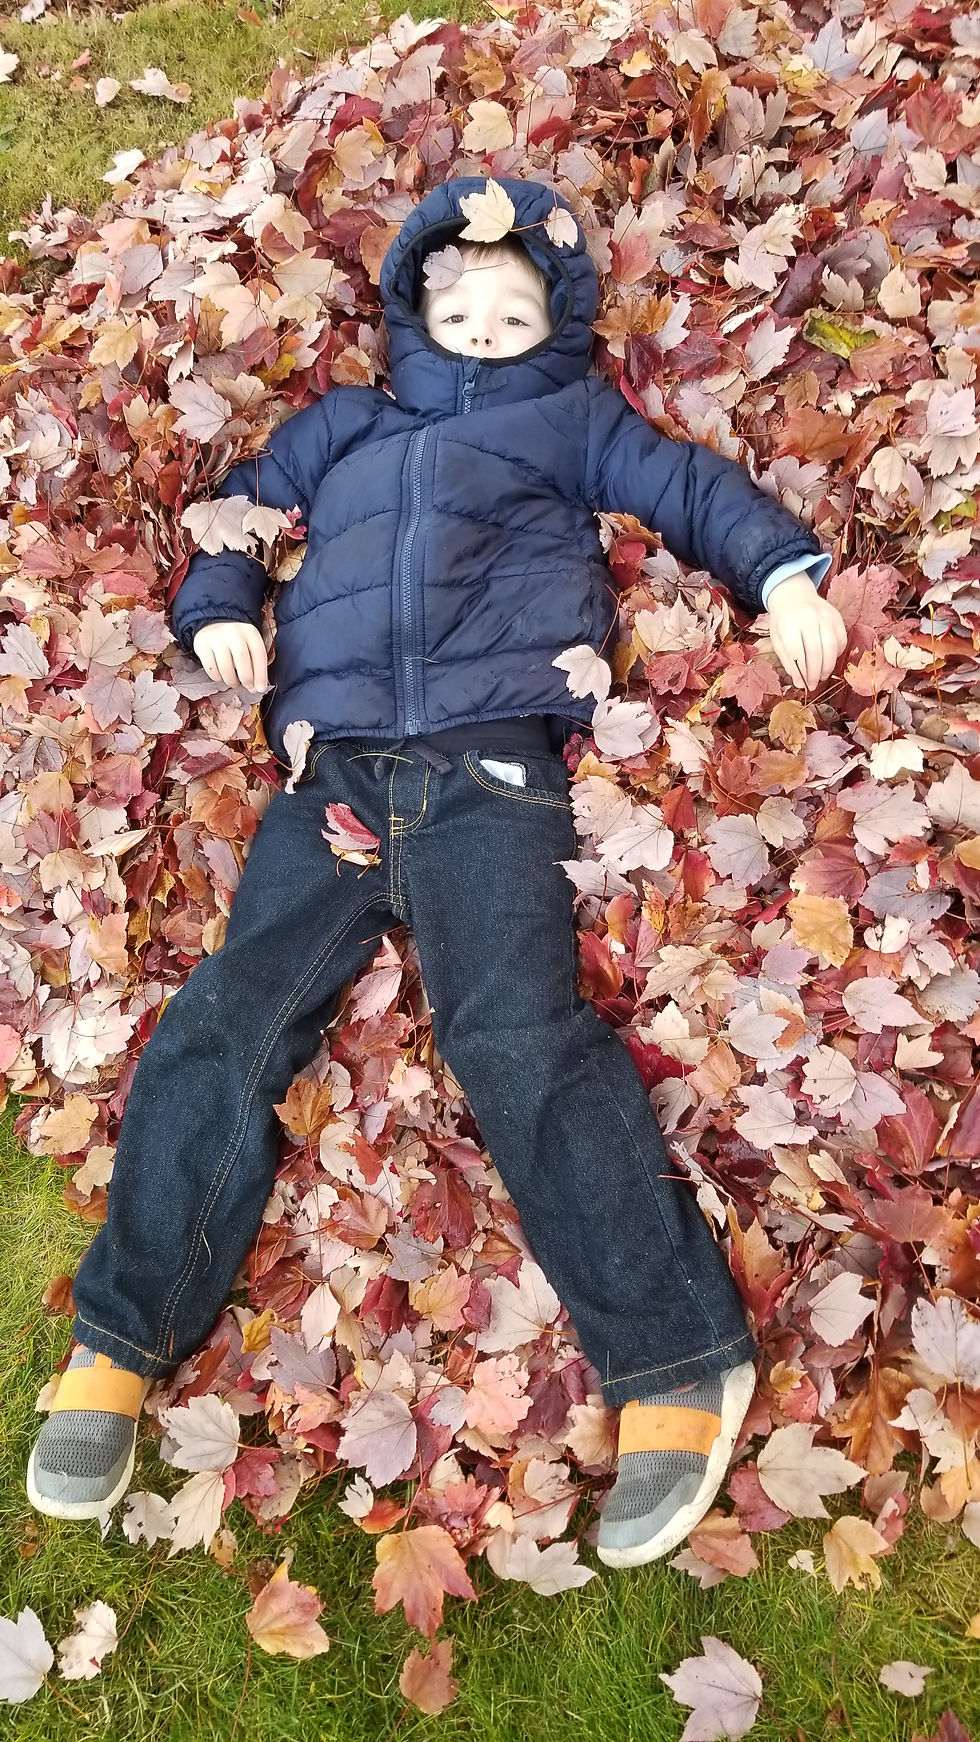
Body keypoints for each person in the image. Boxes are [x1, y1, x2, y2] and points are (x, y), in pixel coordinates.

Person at [26, 176, 845, 1569]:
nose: (481, 326)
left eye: (514, 308)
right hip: (333, 771)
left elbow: (685, 489)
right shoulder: (344, 427)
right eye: (455, 305)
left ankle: (674, 1359)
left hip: (489, 767)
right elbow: (234, 519)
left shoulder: (568, 419)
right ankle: (121, 1337)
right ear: (411, 313)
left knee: (512, 1029)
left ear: (556, 324)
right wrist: (221, 605)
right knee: (234, 1012)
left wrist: (782, 575)